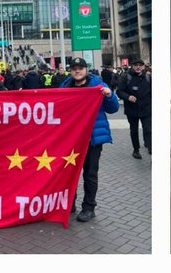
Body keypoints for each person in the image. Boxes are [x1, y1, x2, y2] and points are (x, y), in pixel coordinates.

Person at [59, 57, 119, 222]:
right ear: (70, 71)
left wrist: (109, 95)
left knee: (90, 174)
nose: (77, 71)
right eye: (74, 68)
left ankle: (89, 207)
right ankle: (70, 202)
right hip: (71, 139)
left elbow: (113, 109)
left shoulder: (98, 86)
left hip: (92, 138)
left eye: (80, 68)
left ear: (86, 70)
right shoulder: (64, 87)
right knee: (69, 173)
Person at [120, 62, 151, 158]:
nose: (138, 67)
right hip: (132, 110)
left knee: (148, 129)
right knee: (134, 130)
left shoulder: (148, 77)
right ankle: (136, 150)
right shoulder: (126, 77)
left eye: (140, 65)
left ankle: (150, 146)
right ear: (132, 66)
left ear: (143, 67)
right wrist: (128, 97)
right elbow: (119, 91)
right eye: (136, 65)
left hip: (146, 109)